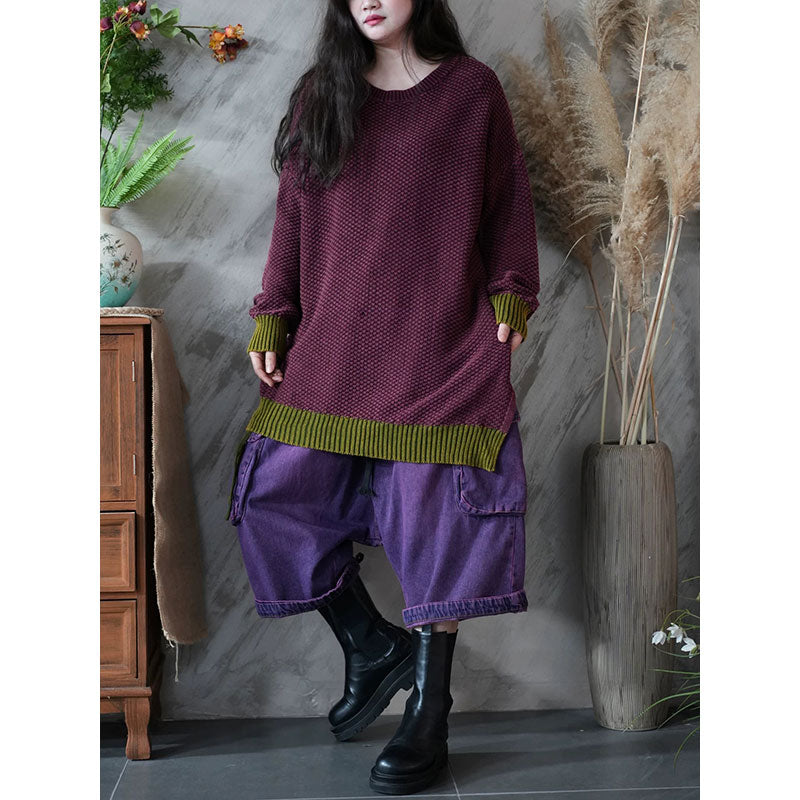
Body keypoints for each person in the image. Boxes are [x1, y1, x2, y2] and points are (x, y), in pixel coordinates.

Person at [226, 0, 540, 794]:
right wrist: (273, 312)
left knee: (439, 523)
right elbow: (293, 215)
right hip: (334, 345)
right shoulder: (323, 91)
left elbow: (508, 203)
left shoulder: (470, 91)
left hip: (441, 348)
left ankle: (429, 708)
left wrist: (512, 290)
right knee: (272, 497)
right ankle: (371, 644)